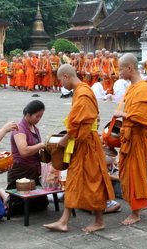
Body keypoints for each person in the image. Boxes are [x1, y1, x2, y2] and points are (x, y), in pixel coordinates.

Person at [43, 64, 114, 233]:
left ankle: (99, 221)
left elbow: (84, 121)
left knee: (93, 180)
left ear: (67, 76)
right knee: (74, 179)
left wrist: (65, 138)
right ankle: (64, 221)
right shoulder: (80, 91)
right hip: (81, 142)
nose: (61, 84)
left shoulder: (83, 92)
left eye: (61, 80)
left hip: (88, 143)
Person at [113, 53, 147, 225]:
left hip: (137, 139)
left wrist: (122, 114)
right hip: (128, 137)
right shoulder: (132, 87)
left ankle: (135, 213)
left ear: (130, 68)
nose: (119, 72)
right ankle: (138, 204)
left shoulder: (142, 88)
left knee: (134, 174)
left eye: (121, 68)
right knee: (127, 173)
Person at [6, 100, 49, 213]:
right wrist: (41, 145)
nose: (38, 119)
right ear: (28, 114)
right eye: (37, 116)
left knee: (42, 205)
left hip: (33, 172)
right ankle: (2, 194)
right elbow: (23, 151)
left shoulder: (35, 129)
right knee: (16, 208)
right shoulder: (19, 128)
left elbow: (37, 151)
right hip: (20, 171)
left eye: (40, 116)